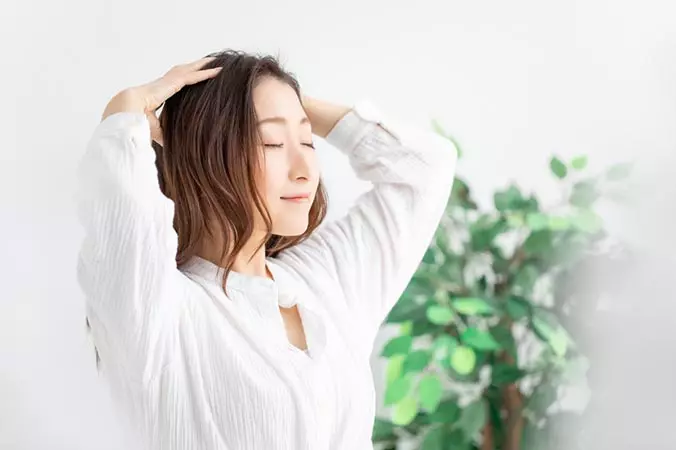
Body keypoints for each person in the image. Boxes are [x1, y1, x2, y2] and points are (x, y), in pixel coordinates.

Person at [75, 48, 457, 450]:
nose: (305, 168)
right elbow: (121, 212)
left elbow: (425, 169)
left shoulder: (324, 282)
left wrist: (286, 100)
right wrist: (130, 106)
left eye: (307, 141)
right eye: (273, 143)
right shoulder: (157, 311)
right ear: (206, 152)